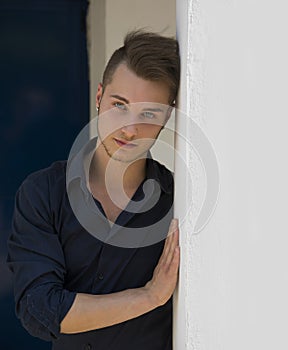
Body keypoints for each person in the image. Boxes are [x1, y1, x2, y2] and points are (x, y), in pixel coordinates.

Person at [7, 30, 180, 350]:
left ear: (166, 118)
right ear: (99, 96)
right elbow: (41, 312)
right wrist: (149, 296)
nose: (129, 129)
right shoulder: (43, 193)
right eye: (120, 105)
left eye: (148, 114)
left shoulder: (179, 202)